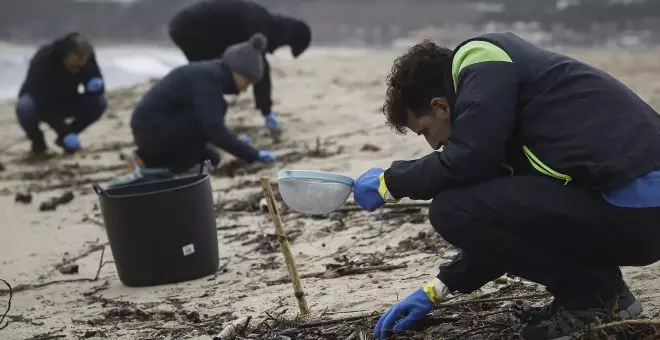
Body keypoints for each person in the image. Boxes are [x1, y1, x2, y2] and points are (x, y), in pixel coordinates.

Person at [352, 33, 660, 340]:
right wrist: (436, 289)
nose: (434, 144)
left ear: (441, 106)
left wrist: (390, 182)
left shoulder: (482, 61)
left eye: (425, 131)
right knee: (467, 205)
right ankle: (606, 297)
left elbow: (469, 160)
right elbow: (505, 225)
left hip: (640, 207)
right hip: (637, 215)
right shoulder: (506, 114)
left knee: (451, 208)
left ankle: (593, 298)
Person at [128, 33, 276, 178]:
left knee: (210, 158)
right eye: (247, 82)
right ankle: (154, 166)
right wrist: (253, 154)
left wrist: (235, 141)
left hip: (158, 128)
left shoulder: (210, 74)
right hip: (150, 130)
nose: (245, 89)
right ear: (238, 71)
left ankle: (145, 160)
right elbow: (212, 128)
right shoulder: (208, 79)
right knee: (204, 121)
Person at [167, 0, 313, 137]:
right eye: (285, 46)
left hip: (188, 26)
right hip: (189, 27)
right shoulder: (258, 25)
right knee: (208, 78)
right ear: (287, 37)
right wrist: (267, 111)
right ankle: (201, 125)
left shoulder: (261, 20)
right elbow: (261, 70)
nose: (278, 49)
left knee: (210, 77)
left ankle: (197, 119)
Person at [16, 32, 107, 155]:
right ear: (65, 56)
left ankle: (67, 137)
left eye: (81, 67)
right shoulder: (44, 59)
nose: (77, 70)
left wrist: (96, 85)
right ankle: (37, 141)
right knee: (24, 107)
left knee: (99, 103)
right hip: (39, 101)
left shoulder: (86, 57)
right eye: (74, 66)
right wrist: (64, 132)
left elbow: (95, 79)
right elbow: (45, 103)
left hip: (68, 99)